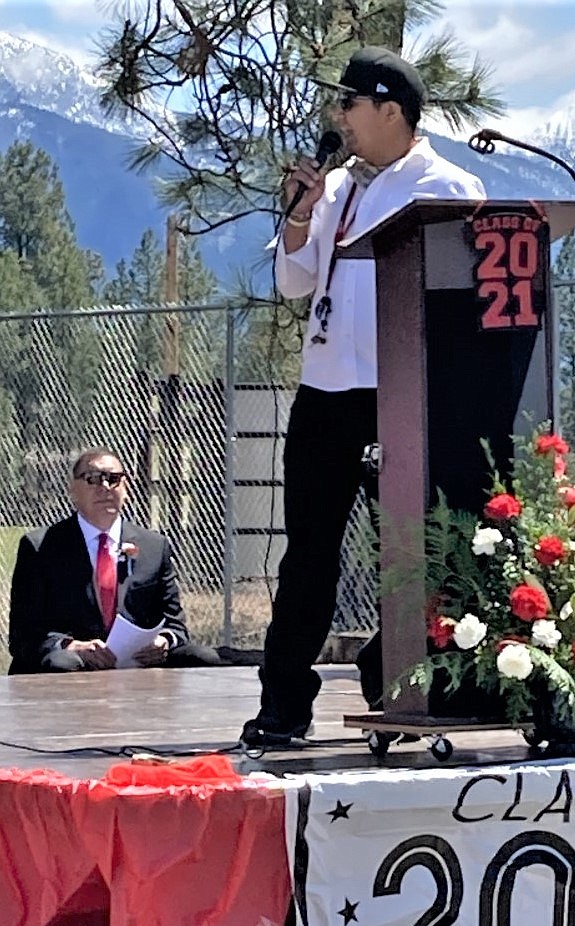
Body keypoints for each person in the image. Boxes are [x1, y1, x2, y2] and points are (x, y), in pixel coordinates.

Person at [241, 46, 487, 748]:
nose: (338, 116)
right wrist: (298, 216)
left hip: (400, 390)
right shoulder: (340, 185)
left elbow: (458, 295)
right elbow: (294, 284)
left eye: (349, 104)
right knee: (307, 554)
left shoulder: (447, 184)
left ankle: (400, 681)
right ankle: (284, 704)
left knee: (409, 551)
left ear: (390, 110)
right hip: (324, 389)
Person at [8, 446, 221, 674]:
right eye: (93, 479)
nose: (105, 487)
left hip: (138, 662)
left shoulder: (154, 547)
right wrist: (73, 646)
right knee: (63, 662)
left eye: (113, 479)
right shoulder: (40, 547)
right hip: (73, 664)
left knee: (204, 657)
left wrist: (163, 641)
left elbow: (175, 625)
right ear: (73, 490)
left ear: (126, 488)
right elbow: (24, 634)